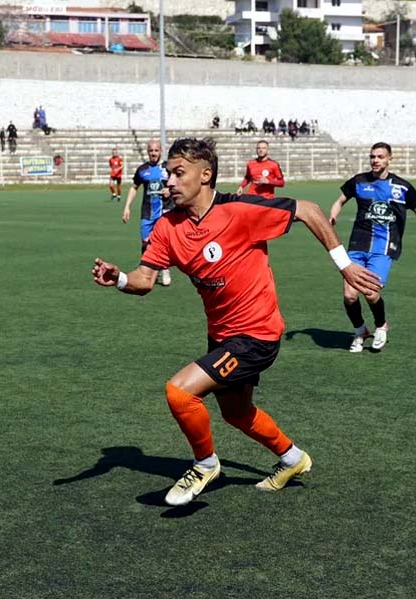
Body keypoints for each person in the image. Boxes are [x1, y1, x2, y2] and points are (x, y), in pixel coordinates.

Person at [92, 138, 381, 506]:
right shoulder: (167, 227)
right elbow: (145, 280)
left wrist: (346, 265)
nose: (170, 182)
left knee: (180, 392)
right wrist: (118, 278)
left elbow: (308, 210)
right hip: (223, 336)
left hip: (258, 334)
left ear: (206, 174)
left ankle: (205, 464)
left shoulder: (240, 210)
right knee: (236, 413)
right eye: (168, 174)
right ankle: (294, 459)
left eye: (179, 173)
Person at [329, 142, 416, 353]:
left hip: (384, 246)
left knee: (371, 293)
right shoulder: (359, 181)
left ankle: (381, 325)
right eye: (372, 156)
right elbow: (340, 200)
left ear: (389, 159)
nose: (375, 160)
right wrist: (333, 216)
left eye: (380, 157)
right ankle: (360, 330)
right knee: (350, 295)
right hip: (357, 244)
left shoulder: (402, 186)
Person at [122, 139, 172, 286]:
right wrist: (127, 207)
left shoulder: (167, 168)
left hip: (164, 211)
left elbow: (178, 182)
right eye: (151, 151)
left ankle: (165, 269)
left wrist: (170, 190)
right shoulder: (142, 169)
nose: (153, 153)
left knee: (162, 241)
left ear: (161, 151)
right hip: (147, 212)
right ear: (148, 152)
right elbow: (134, 187)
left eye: (156, 150)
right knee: (145, 242)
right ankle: (148, 270)